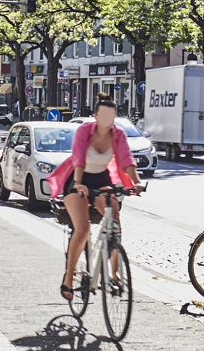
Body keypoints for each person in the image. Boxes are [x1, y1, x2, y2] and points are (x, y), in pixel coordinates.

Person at [48, 97, 137, 303]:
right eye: (103, 116)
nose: (107, 120)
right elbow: (78, 157)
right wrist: (78, 182)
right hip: (78, 177)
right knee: (83, 229)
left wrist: (137, 182)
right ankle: (69, 277)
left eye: (111, 116)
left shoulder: (118, 134)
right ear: (95, 117)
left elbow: (126, 160)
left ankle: (114, 275)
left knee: (114, 219)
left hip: (101, 178)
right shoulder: (84, 131)